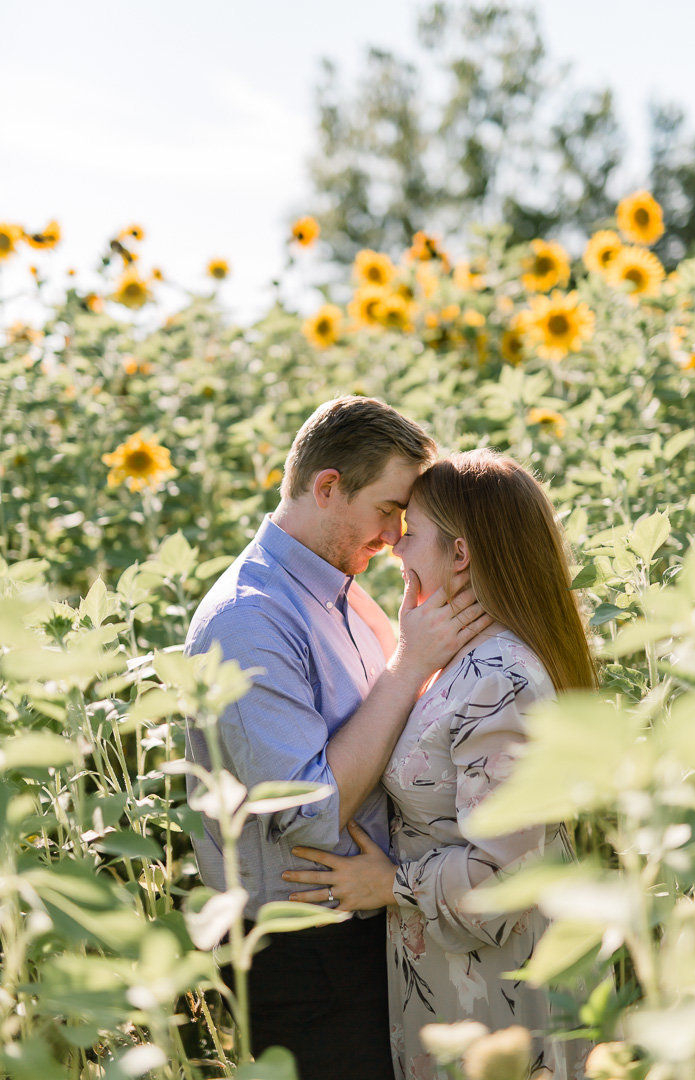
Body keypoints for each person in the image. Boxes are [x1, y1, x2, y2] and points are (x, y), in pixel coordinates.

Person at [184, 398, 489, 1080]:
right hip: (305, 960)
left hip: (368, 923)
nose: (395, 535)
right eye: (388, 509)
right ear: (327, 488)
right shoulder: (250, 622)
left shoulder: (342, 591)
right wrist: (410, 663)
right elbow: (311, 813)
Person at [283, 448, 597, 1080]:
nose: (396, 547)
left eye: (413, 533)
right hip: (454, 979)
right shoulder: (464, 658)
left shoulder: (499, 678)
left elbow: (508, 879)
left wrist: (390, 883)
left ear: (461, 555)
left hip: (493, 999)